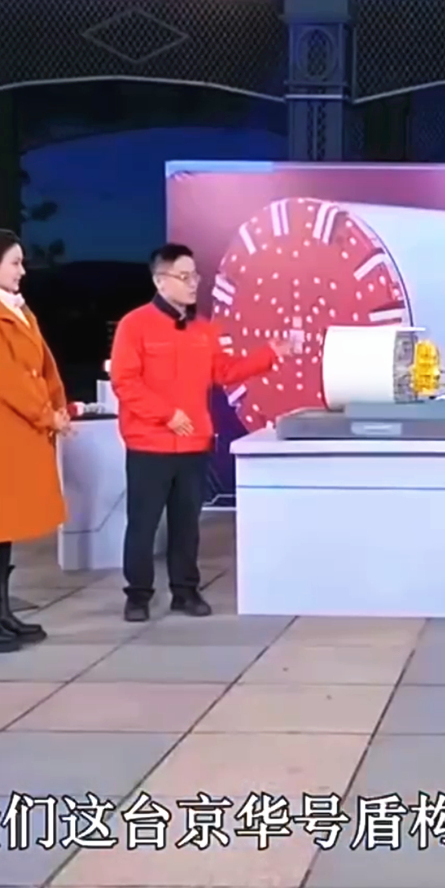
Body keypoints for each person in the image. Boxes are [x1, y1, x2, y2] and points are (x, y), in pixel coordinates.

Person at [109, 243, 296, 622]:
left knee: (187, 524)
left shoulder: (203, 328)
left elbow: (224, 371)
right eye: (184, 276)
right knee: (143, 524)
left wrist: (269, 354)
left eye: (195, 275)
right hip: (149, 444)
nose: (194, 283)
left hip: (194, 443)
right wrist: (166, 415)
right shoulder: (135, 325)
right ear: (160, 281)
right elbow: (125, 382)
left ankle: (185, 591)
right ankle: (138, 595)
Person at [0, 226, 74, 653]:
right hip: (0, 428)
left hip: (21, 424)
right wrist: (46, 414)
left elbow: (43, 363)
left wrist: (59, 406)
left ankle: (1, 613)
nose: (22, 271)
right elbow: (3, 375)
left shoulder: (14, 306)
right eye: (16, 263)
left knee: (3, 526)